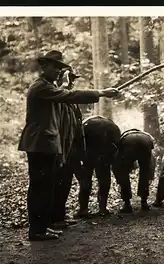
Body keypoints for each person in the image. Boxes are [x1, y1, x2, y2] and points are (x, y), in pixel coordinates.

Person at [18, 50, 120, 241]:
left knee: (46, 187)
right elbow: (70, 95)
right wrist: (101, 92)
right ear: (44, 66)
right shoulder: (41, 87)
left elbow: (67, 93)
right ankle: (37, 230)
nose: (58, 71)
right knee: (40, 187)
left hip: (47, 144)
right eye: (55, 67)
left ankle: (43, 226)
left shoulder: (48, 86)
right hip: (40, 144)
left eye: (60, 68)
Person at [50, 67, 86, 230]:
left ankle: (60, 216)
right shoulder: (58, 96)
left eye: (73, 80)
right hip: (60, 148)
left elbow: (77, 125)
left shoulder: (71, 101)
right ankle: (54, 218)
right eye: (69, 79)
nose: (72, 83)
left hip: (71, 148)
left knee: (66, 183)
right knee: (57, 183)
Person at [76, 115, 121, 218]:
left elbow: (79, 141)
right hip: (104, 152)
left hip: (89, 152)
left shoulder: (86, 124)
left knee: (86, 179)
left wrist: (80, 158)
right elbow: (117, 145)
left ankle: (83, 209)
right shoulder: (111, 125)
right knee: (104, 177)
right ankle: (102, 208)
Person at [112, 128, 156, 214]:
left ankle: (127, 204)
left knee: (123, 172)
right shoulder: (146, 135)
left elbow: (118, 157)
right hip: (146, 142)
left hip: (128, 143)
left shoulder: (124, 136)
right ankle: (144, 202)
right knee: (144, 172)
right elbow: (151, 158)